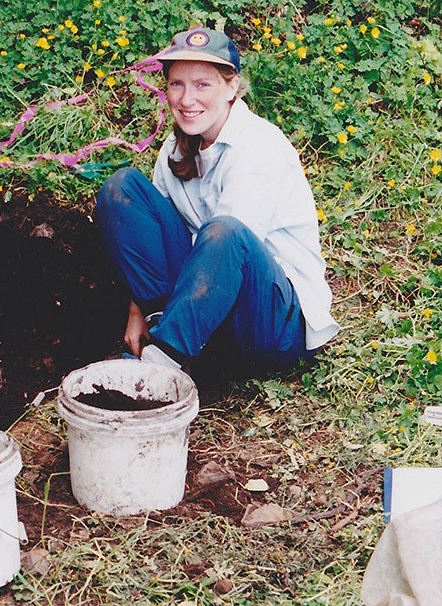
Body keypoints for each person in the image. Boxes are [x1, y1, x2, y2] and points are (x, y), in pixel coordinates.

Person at [95, 28, 338, 377]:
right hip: (208, 308)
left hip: (271, 325)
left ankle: (162, 363)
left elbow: (228, 252)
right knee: (123, 189)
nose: (186, 99)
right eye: (176, 84)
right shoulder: (175, 148)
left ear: (231, 87)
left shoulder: (258, 147)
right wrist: (137, 310)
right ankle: (169, 333)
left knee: (224, 232)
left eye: (202, 85)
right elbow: (156, 239)